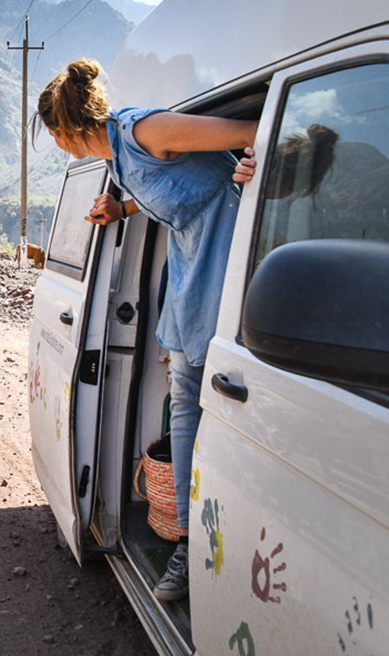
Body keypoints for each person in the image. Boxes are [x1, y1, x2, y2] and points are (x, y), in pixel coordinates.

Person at [34, 58, 258, 602]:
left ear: (65, 129)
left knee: (216, 403)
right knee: (187, 400)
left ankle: (201, 545)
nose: (58, 144)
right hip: (191, 262)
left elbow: (258, 129)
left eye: (54, 135)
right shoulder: (120, 162)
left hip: (224, 254)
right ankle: (190, 538)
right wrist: (122, 208)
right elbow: (179, 190)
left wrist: (257, 166)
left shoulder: (145, 130)